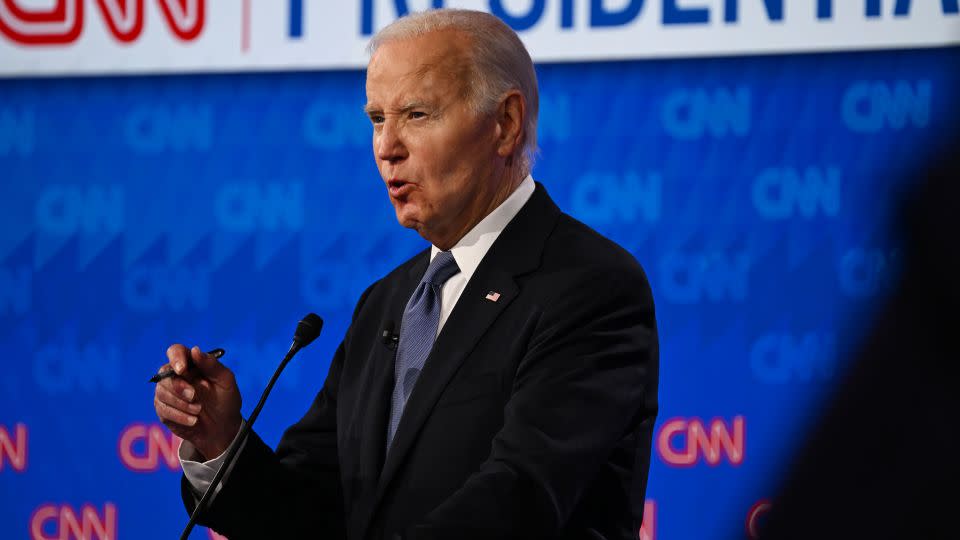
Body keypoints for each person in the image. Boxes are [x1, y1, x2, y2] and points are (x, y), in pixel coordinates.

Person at [154, 9, 658, 540]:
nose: (386, 147)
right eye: (376, 118)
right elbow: (309, 508)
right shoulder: (387, 302)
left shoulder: (589, 286)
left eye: (416, 114)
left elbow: (520, 499)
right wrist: (221, 440)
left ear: (505, 124)